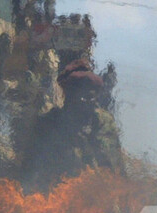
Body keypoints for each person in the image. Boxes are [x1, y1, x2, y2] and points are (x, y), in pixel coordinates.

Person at [17, 58, 125, 192]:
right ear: (68, 97)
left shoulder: (103, 122)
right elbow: (32, 166)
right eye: (82, 97)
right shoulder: (49, 123)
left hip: (96, 193)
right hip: (57, 191)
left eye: (91, 97)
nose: (87, 103)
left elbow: (115, 165)